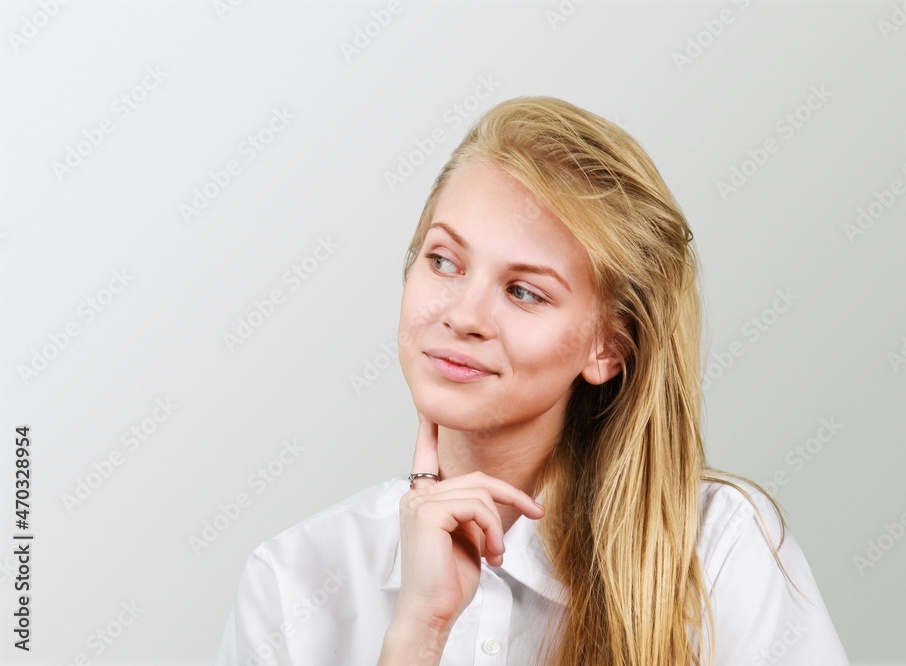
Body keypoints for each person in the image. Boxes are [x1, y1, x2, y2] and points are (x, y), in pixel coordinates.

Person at [215, 96, 850, 665]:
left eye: (523, 292)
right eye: (443, 260)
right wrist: (418, 634)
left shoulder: (717, 549)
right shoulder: (294, 579)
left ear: (608, 347)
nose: (462, 316)